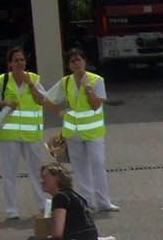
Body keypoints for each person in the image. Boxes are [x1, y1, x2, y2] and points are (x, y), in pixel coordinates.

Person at [46, 47, 118, 212]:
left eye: (79, 60)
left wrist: (88, 88)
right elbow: (48, 99)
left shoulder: (96, 80)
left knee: (97, 164)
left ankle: (104, 201)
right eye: (72, 61)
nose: (76, 63)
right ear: (69, 65)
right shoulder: (66, 82)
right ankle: (88, 201)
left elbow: (96, 104)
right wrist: (60, 112)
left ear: (85, 61)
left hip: (93, 131)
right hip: (73, 132)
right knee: (80, 168)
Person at [0, 44, 50, 219]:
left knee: (36, 171)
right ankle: (12, 209)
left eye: (22, 60)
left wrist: (30, 84)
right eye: (16, 60)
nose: (20, 63)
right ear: (10, 64)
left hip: (31, 133)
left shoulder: (34, 78)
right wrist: (6, 103)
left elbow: (41, 100)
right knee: (10, 171)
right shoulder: (2, 80)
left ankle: (41, 205)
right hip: (9, 134)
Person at [7, 162, 99, 240]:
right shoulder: (75, 195)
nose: (42, 182)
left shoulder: (60, 197)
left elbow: (57, 233)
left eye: (45, 177)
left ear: (57, 178)